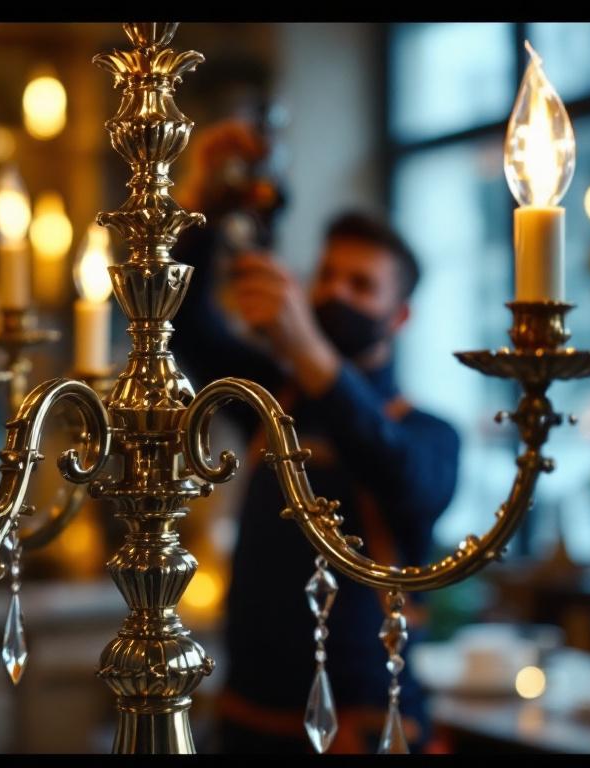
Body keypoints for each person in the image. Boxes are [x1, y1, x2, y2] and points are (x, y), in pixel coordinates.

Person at [171, 121, 461, 753]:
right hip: (249, 722)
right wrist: (205, 203)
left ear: (400, 315)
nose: (335, 293)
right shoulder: (273, 399)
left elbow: (397, 471)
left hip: (364, 735)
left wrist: (303, 344)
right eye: (327, 276)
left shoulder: (430, 433)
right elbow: (182, 323)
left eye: (361, 286)